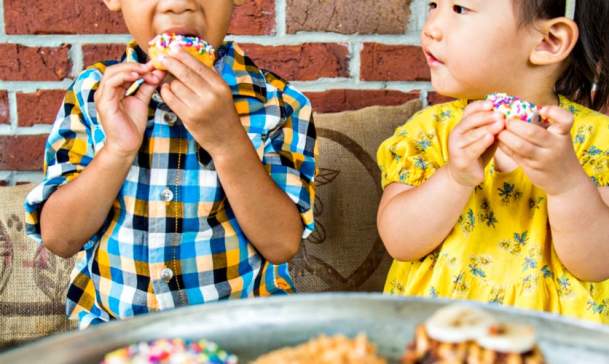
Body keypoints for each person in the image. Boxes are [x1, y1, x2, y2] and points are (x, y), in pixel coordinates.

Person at [24, 0, 316, 328]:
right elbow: (59, 238)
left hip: (242, 334)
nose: (178, 4)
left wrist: (228, 143)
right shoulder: (92, 94)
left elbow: (282, 244)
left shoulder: (279, 102)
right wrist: (117, 151)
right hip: (114, 337)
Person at [377, 0, 609, 324]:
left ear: (548, 41)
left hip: (551, 342)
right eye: (433, 5)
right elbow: (399, 240)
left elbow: (598, 262)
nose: (431, 27)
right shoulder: (429, 133)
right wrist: (454, 178)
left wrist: (567, 184)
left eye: (459, 9)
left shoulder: (597, 142)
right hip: (438, 334)